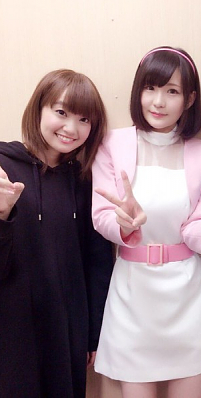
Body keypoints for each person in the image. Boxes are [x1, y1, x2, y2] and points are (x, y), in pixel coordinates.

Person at [91, 46, 201, 398]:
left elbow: (194, 226)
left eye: (171, 91)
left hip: (186, 294)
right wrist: (124, 224)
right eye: (150, 88)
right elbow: (101, 215)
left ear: (189, 99)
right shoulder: (112, 143)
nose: (158, 102)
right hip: (132, 292)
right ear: (138, 91)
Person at [0, 69, 114, 398]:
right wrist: (2, 216)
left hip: (67, 330)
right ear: (39, 109)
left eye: (84, 119)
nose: (71, 128)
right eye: (61, 112)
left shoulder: (84, 180)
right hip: (12, 330)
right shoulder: (4, 167)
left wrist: (93, 335)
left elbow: (97, 264)